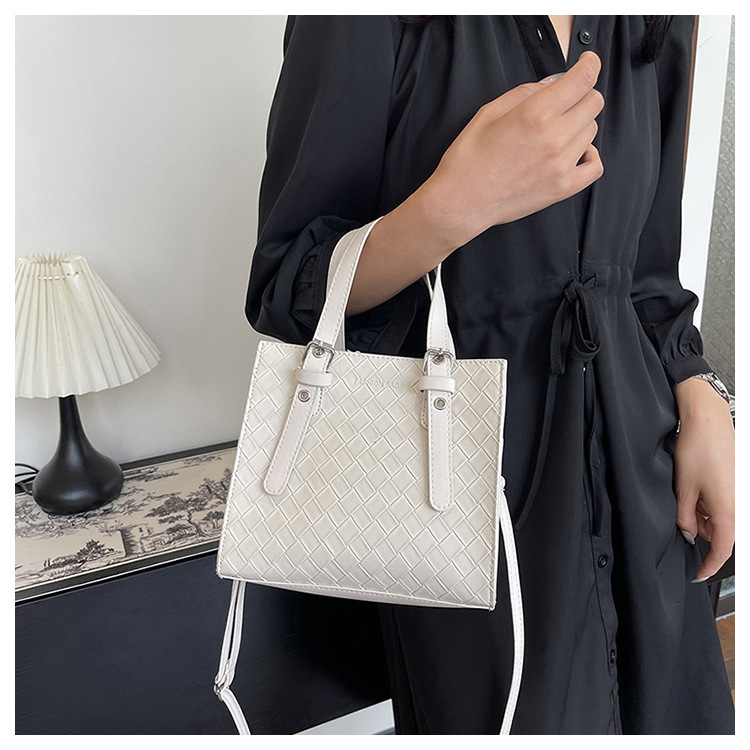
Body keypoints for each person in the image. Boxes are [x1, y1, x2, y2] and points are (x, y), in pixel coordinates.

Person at [244, 15, 735, 734]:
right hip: (463, 505)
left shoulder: (653, 20)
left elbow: (649, 276)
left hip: (648, 488)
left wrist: (703, 395)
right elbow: (287, 287)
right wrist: (456, 203)